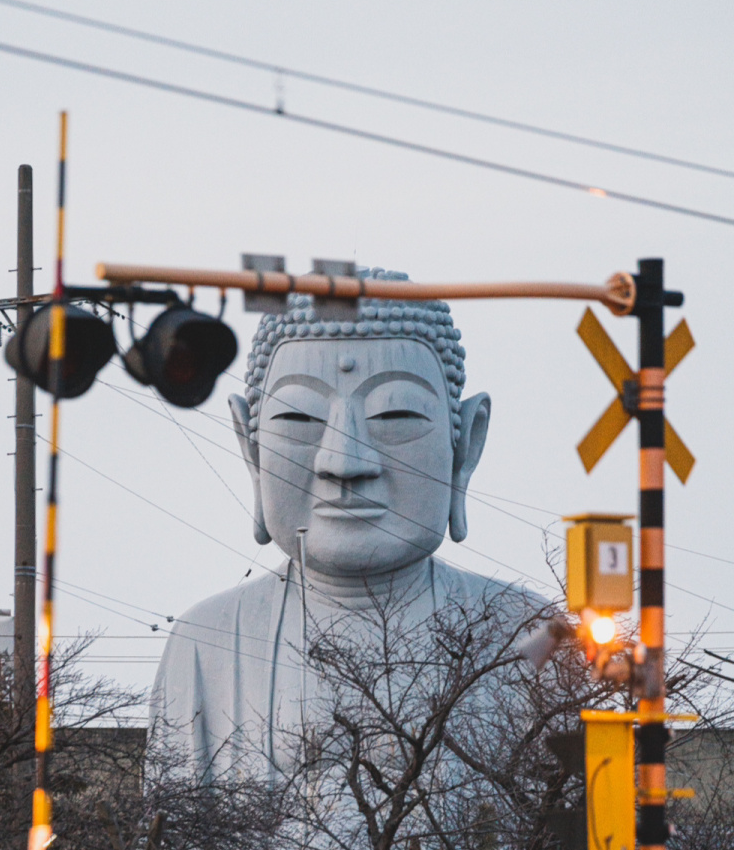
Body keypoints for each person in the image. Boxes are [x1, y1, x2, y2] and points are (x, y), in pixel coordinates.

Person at [150, 268, 542, 777]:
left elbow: (578, 845)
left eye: (394, 415)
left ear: (465, 444)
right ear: (251, 448)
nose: (345, 460)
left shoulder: (529, 636)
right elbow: (173, 846)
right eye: (299, 419)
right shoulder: (205, 643)